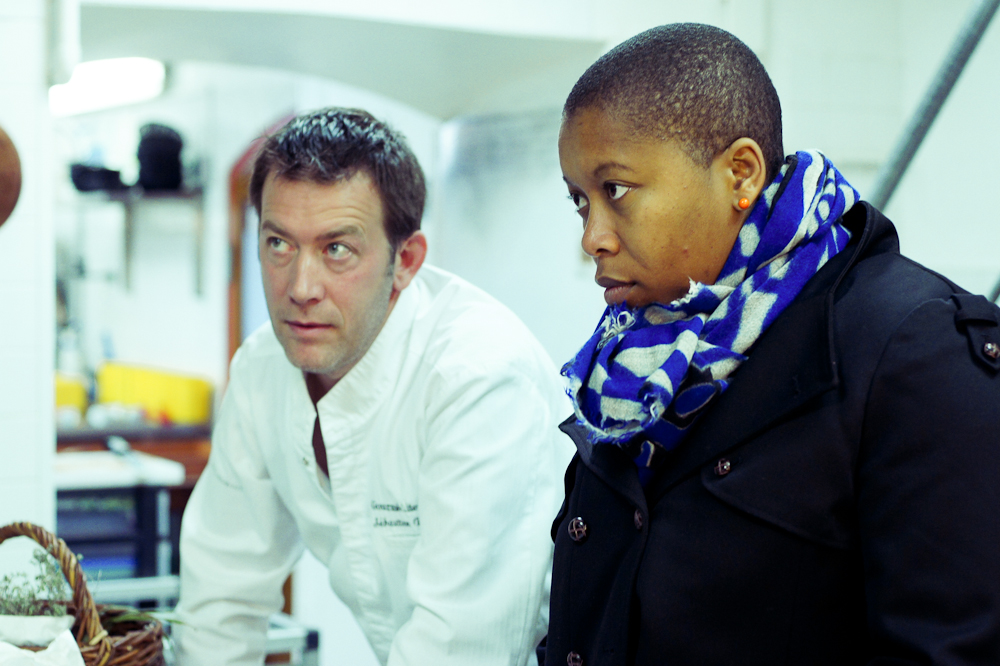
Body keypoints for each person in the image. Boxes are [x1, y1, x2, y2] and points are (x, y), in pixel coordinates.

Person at [545, 23, 1000, 666]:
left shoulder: (913, 350)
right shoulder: (624, 369)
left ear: (741, 174)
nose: (592, 236)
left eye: (615, 190)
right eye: (579, 201)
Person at [175, 107, 573, 666]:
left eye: (336, 249)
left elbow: (461, 650)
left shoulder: (477, 379)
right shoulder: (262, 370)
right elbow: (220, 596)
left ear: (405, 260)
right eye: (279, 244)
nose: (301, 287)